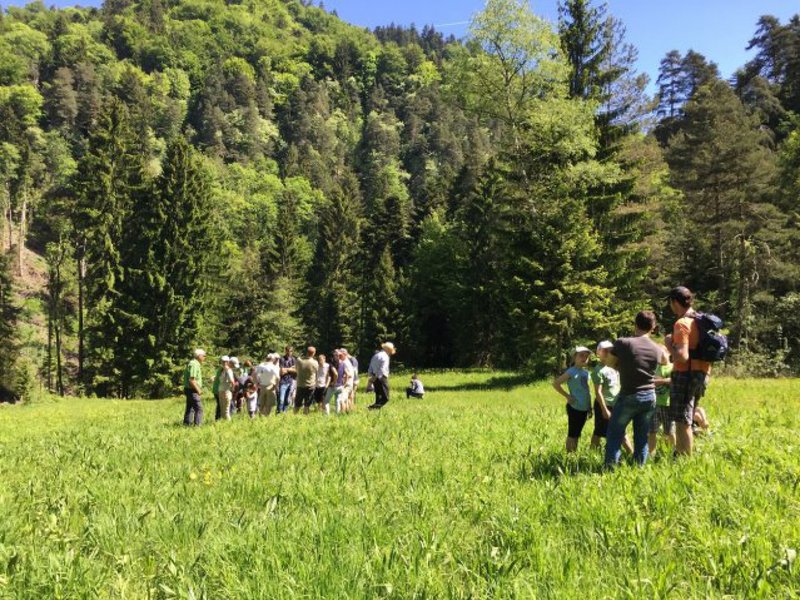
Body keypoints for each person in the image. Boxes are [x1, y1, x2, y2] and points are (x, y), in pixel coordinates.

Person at [602, 311, 667, 467]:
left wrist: (624, 367)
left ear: (635, 324)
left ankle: (610, 468)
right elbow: (665, 360)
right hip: (650, 396)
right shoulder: (656, 348)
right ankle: (639, 466)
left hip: (629, 395)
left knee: (615, 433)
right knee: (642, 436)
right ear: (653, 327)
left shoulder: (623, 343)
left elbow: (609, 362)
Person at [665, 286, 712, 456]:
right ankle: (684, 452)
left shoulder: (682, 323)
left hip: (685, 374)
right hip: (703, 372)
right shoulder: (699, 320)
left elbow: (682, 356)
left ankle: (683, 456)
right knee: (690, 415)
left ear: (675, 302)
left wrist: (669, 345)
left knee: (681, 419)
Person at [590, 341, 632, 454]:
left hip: (617, 403)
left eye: (610, 350)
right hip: (604, 405)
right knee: (599, 431)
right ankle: (632, 454)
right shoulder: (598, 370)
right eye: (604, 350)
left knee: (617, 429)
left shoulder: (615, 367)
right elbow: (598, 392)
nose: (608, 353)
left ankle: (631, 454)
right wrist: (604, 409)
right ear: (598, 353)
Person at [552, 346, 593, 453]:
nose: (584, 358)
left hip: (584, 407)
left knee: (577, 433)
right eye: (581, 355)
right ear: (574, 357)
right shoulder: (571, 371)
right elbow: (556, 384)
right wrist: (567, 396)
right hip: (575, 407)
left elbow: (586, 391)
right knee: (572, 433)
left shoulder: (586, 373)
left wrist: (589, 407)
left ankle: (574, 453)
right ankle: (569, 455)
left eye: (586, 356)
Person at [649, 346, 676, 456]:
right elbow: (650, 380)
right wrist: (663, 381)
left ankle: (673, 452)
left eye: (662, 353)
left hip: (668, 404)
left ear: (668, 352)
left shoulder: (673, 367)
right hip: (654, 404)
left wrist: (660, 381)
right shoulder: (654, 368)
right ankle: (651, 454)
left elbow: (673, 380)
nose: (660, 356)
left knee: (670, 431)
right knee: (652, 431)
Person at [367, 342, 395, 410]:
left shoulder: (376, 355)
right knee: (386, 397)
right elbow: (382, 369)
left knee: (378, 396)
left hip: (374, 377)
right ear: (388, 349)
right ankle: (373, 408)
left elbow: (370, 367)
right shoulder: (385, 357)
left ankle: (375, 409)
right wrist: (378, 376)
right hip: (381, 377)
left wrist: (372, 377)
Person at [183, 349, 206, 426]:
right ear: (199, 356)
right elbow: (191, 380)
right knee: (199, 409)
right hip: (192, 390)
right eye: (204, 356)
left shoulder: (193, 363)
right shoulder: (194, 364)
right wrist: (199, 390)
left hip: (189, 389)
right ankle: (198, 426)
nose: (205, 357)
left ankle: (186, 424)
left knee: (190, 408)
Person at [294, 346, 319, 415]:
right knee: (307, 404)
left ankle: (294, 416)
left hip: (300, 385)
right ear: (313, 353)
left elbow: (296, 369)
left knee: (297, 403)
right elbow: (317, 372)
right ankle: (305, 417)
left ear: (307, 352)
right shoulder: (315, 362)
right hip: (310, 385)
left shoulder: (299, 360)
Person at [278, 346, 297, 414]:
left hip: (290, 381)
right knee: (281, 399)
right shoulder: (282, 359)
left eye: (291, 351)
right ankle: (279, 412)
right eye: (288, 351)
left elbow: (296, 371)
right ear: (285, 351)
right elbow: (281, 371)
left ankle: (284, 412)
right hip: (283, 381)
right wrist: (290, 369)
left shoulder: (293, 359)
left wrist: (287, 369)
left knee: (287, 399)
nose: (289, 352)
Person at [217, 356, 235, 421]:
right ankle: (223, 424)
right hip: (220, 391)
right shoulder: (222, 370)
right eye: (223, 361)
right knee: (222, 410)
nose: (224, 363)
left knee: (226, 411)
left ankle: (228, 425)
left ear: (228, 362)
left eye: (226, 361)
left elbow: (232, 381)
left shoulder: (228, 370)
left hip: (226, 391)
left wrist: (232, 389)